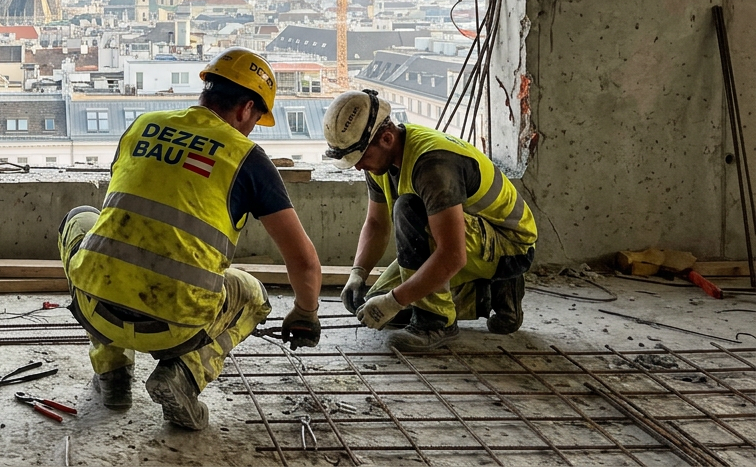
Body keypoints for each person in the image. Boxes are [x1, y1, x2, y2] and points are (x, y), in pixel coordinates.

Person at [59, 48, 324, 430]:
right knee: (252, 295)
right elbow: (303, 261)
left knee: (81, 221)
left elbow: (118, 224)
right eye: (255, 119)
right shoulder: (248, 158)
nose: (251, 128)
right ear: (247, 108)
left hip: (98, 309)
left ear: (207, 91)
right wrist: (306, 313)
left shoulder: (142, 125)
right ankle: (183, 375)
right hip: (176, 328)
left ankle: (112, 373)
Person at [322, 90, 538, 350]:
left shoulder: (433, 165)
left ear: (387, 138)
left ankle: (435, 322)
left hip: (509, 245)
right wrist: (358, 274)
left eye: (360, 159)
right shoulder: (378, 159)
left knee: (407, 210)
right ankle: (490, 295)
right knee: (379, 306)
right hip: (470, 238)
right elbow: (377, 225)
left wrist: (396, 300)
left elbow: (452, 254)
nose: (357, 167)